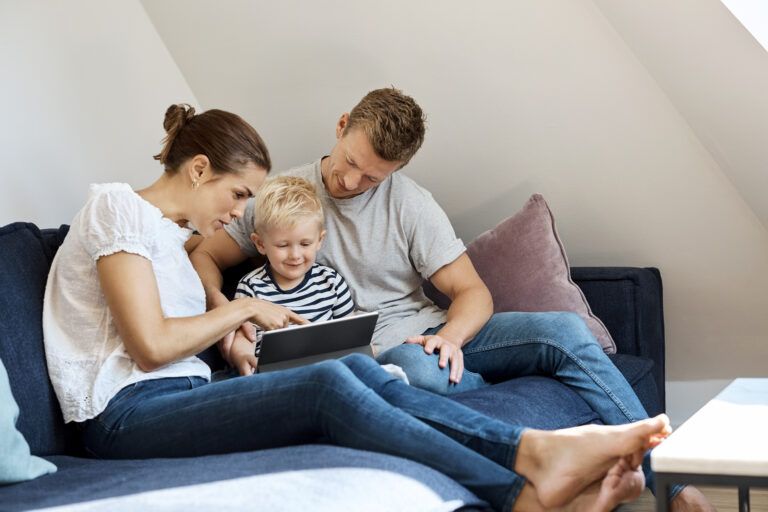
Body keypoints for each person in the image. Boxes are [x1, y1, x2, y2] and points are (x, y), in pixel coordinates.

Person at [42, 102, 676, 512]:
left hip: (179, 397)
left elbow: (177, 326)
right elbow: (152, 344)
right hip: (123, 418)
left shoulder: (166, 237)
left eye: (246, 201)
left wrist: (228, 333)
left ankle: (546, 465)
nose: (238, 214)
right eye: (237, 196)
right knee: (332, 382)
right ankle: (530, 477)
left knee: (357, 372)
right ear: (200, 169)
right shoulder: (117, 208)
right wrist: (240, 313)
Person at [230, 175, 354, 374]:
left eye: (305, 244)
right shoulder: (251, 287)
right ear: (260, 244)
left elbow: (350, 334)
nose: (295, 255)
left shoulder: (331, 282)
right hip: (275, 376)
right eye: (282, 245)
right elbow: (244, 337)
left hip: (327, 371)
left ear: (319, 240)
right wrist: (243, 356)